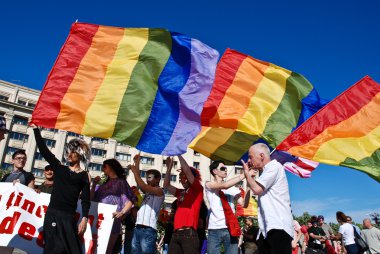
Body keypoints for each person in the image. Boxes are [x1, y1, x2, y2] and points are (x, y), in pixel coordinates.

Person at [31, 124, 91, 254]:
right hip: (52, 215)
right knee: (52, 250)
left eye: (72, 151)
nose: (69, 154)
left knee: (73, 250)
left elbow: (86, 200)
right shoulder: (59, 168)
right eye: (68, 150)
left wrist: (85, 218)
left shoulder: (85, 175)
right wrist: (36, 129)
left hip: (69, 218)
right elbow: (43, 149)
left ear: (80, 154)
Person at [241, 143, 293, 254]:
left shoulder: (274, 166)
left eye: (250, 156)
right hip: (267, 229)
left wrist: (246, 173)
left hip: (278, 227)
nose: (249, 161)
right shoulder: (266, 171)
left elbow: (257, 189)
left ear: (261, 156)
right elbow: (250, 194)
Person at [91, 159, 136, 254]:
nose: (102, 169)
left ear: (111, 167)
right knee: (96, 248)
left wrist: (122, 212)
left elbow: (131, 200)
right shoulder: (104, 184)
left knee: (107, 249)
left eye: (105, 166)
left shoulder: (121, 182)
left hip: (112, 220)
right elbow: (92, 199)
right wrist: (94, 184)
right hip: (99, 220)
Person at [163, 156, 204, 254]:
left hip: (189, 233)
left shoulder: (197, 189)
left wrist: (178, 153)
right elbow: (166, 185)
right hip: (175, 233)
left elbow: (187, 169)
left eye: (184, 176)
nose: (181, 179)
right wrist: (168, 168)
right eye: (180, 177)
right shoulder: (180, 192)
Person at [205, 160, 246, 254]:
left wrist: (249, 186)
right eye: (222, 168)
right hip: (214, 229)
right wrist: (244, 174)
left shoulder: (232, 188)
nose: (225, 170)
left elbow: (243, 203)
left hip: (230, 228)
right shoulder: (208, 184)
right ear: (215, 171)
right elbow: (225, 185)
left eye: (226, 168)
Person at [130, 154, 164, 254]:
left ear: (157, 179)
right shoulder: (148, 191)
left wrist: (135, 171)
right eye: (146, 178)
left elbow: (143, 186)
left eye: (149, 177)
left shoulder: (160, 191)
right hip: (138, 227)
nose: (147, 180)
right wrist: (137, 163)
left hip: (148, 229)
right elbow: (139, 182)